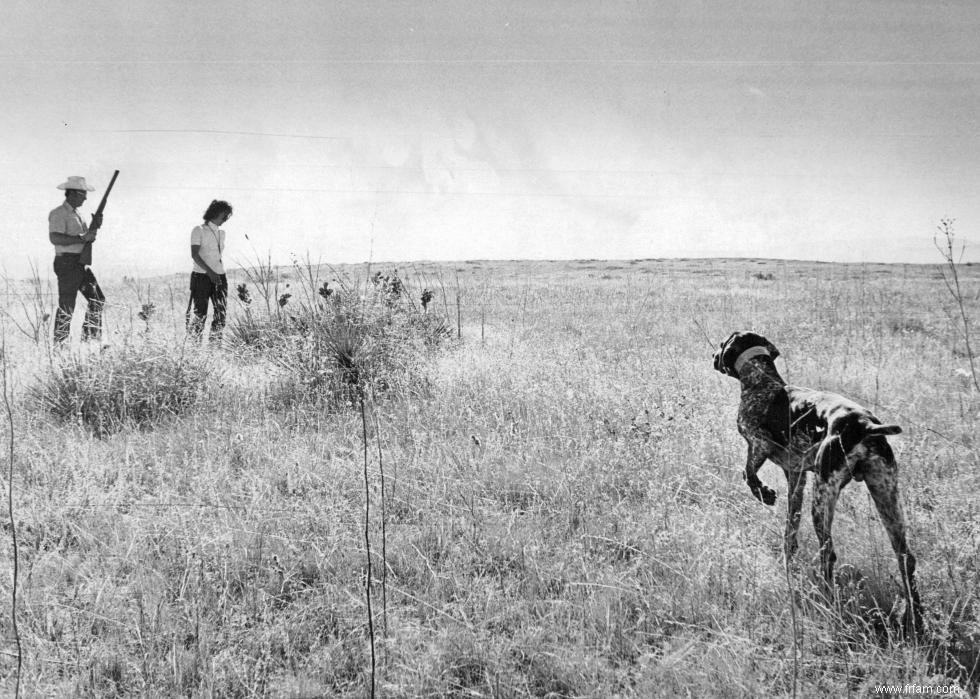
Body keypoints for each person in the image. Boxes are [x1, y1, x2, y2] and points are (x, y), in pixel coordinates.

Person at [49, 176, 105, 344]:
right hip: (67, 263)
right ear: (72, 193)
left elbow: (87, 239)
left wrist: (95, 227)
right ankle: (60, 346)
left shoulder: (78, 215)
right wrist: (82, 237)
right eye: (83, 194)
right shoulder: (58, 213)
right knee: (67, 306)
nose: (85, 197)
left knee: (97, 300)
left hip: (79, 263)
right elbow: (55, 238)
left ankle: (89, 340)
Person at [187, 200, 232, 341]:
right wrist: (210, 272)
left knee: (221, 314)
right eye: (224, 216)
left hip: (220, 277)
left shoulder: (222, 233)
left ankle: (215, 349)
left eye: (227, 217)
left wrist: (218, 273)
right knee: (200, 315)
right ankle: (195, 350)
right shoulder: (198, 230)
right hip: (201, 277)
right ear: (216, 213)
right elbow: (195, 254)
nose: (225, 219)